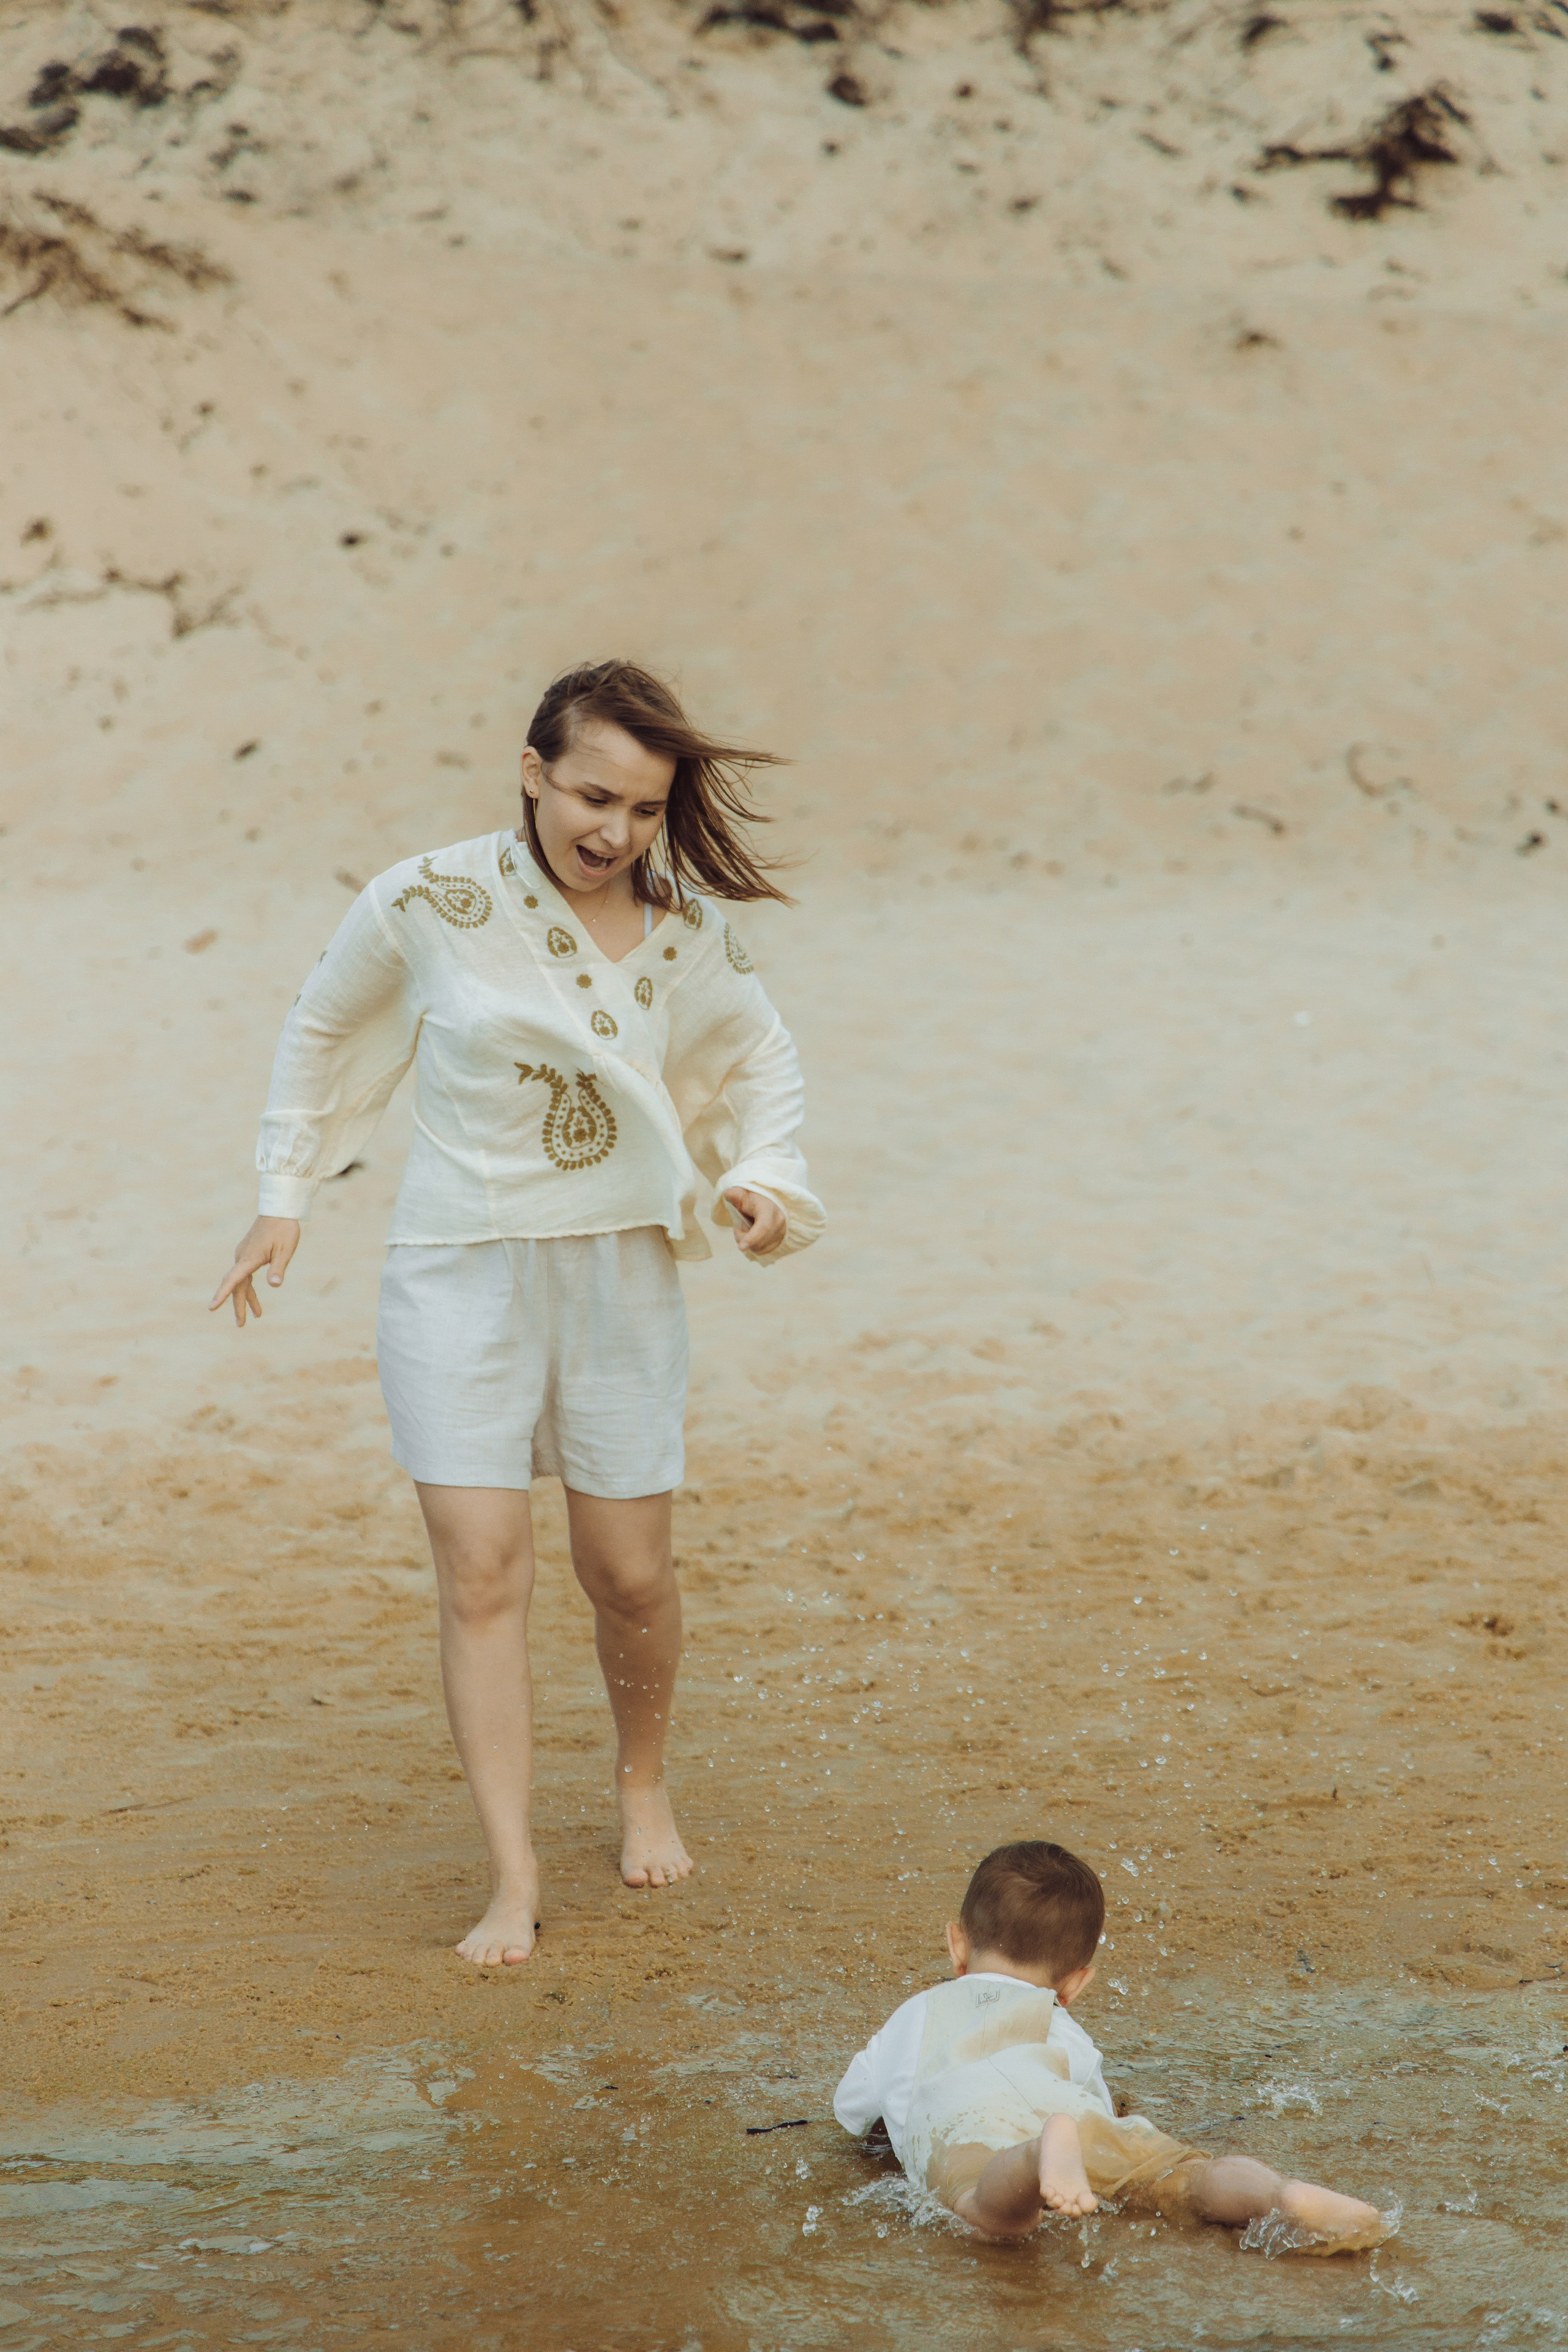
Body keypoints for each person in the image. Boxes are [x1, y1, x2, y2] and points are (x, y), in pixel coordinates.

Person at [211, 659, 824, 1967]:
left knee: (628, 1575)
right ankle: (513, 1870)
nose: (616, 831)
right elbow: (319, 1029)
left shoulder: (685, 931)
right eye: (594, 796)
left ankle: (641, 1783)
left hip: (619, 1275)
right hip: (457, 1269)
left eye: (646, 810)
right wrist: (283, 1197)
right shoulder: (429, 898)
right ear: (533, 772)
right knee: (482, 1573)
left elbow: (761, 1060)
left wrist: (763, 1182)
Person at [834, 1840, 1392, 2252]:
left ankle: (1033, 2156)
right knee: (1175, 2177)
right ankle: (1278, 2194)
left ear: (957, 1943)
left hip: (970, 2117)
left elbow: (853, 2109)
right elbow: (1095, 2113)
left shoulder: (916, 2015)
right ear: (1076, 1983)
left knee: (987, 2213)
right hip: (1067, 2110)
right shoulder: (1063, 2029)